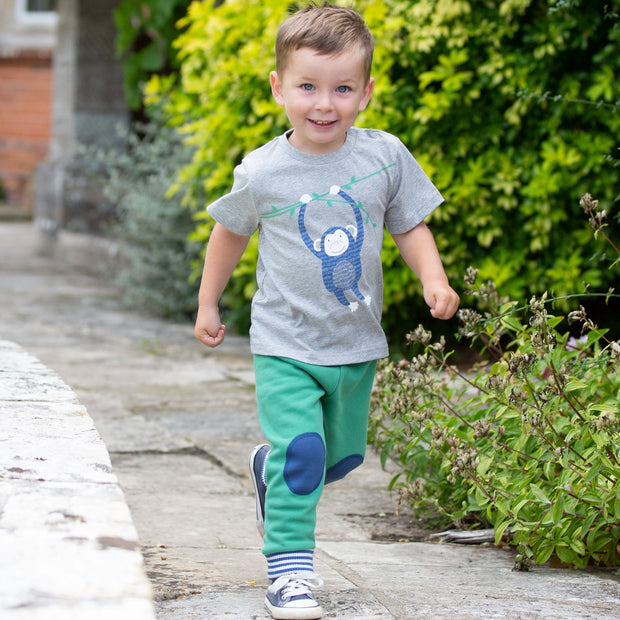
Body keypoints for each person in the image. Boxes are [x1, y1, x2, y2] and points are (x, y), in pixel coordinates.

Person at [194, 3, 460, 618]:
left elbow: (410, 225)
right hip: (284, 341)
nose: (324, 104)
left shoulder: (384, 156)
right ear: (278, 86)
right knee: (306, 456)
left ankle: (273, 470)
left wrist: (435, 278)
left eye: (342, 89)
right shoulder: (263, 170)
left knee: (338, 458)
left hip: (354, 342)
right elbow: (229, 234)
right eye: (308, 87)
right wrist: (209, 301)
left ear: (365, 93)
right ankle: (289, 573)